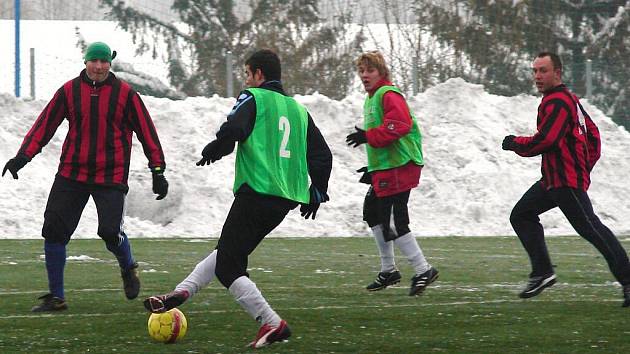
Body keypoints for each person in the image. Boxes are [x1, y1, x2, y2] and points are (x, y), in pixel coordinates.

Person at [143, 49, 333, 349]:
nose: (246, 80)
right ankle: (180, 294)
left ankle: (272, 323)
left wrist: (215, 148)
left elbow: (235, 129)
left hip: (256, 191)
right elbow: (322, 155)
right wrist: (316, 191)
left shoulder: (253, 97)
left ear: (258, 74)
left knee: (229, 266)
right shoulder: (299, 111)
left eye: (247, 74)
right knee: (227, 252)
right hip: (283, 200)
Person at [2, 42, 169, 312]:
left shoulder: (126, 94)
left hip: (110, 175)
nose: (99, 66)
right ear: (86, 62)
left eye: (104, 62)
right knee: (54, 231)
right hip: (72, 173)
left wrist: (157, 170)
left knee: (109, 232)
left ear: (110, 63)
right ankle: (57, 298)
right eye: (95, 61)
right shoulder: (69, 91)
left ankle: (128, 266)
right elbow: (45, 125)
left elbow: (147, 132)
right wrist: (23, 156)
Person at [502, 52, 630, 306]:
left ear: (557, 73)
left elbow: (547, 139)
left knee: (592, 229)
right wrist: (584, 166)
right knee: (521, 215)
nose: (537, 76)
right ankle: (542, 272)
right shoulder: (568, 100)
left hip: (563, 181)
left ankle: (628, 281)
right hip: (554, 179)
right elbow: (593, 136)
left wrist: (516, 143)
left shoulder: (558, 102)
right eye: (535, 71)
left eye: (543, 71)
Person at [346, 51, 438, 296]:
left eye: (370, 70)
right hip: (386, 167)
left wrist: (368, 136)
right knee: (372, 213)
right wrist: (373, 166)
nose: (364, 75)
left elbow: (400, 125)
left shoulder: (388, 94)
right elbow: (385, 133)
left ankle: (423, 269)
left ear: (381, 72)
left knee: (393, 221)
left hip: (400, 166)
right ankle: (389, 270)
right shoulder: (372, 97)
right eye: (361, 70)